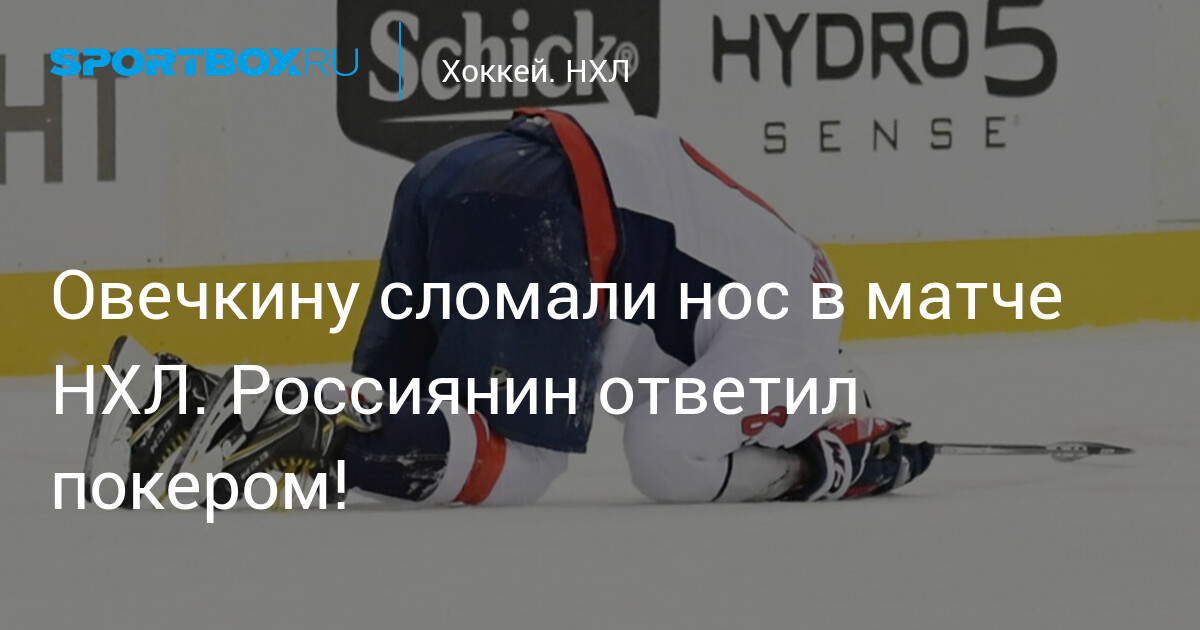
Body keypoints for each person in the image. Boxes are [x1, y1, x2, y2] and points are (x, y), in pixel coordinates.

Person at [84, 108, 933, 509]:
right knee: (517, 466)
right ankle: (234, 421)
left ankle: (176, 406)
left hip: (458, 170)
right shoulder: (803, 338)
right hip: (552, 207)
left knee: (404, 422)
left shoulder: (784, 280)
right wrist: (809, 474)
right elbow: (665, 459)